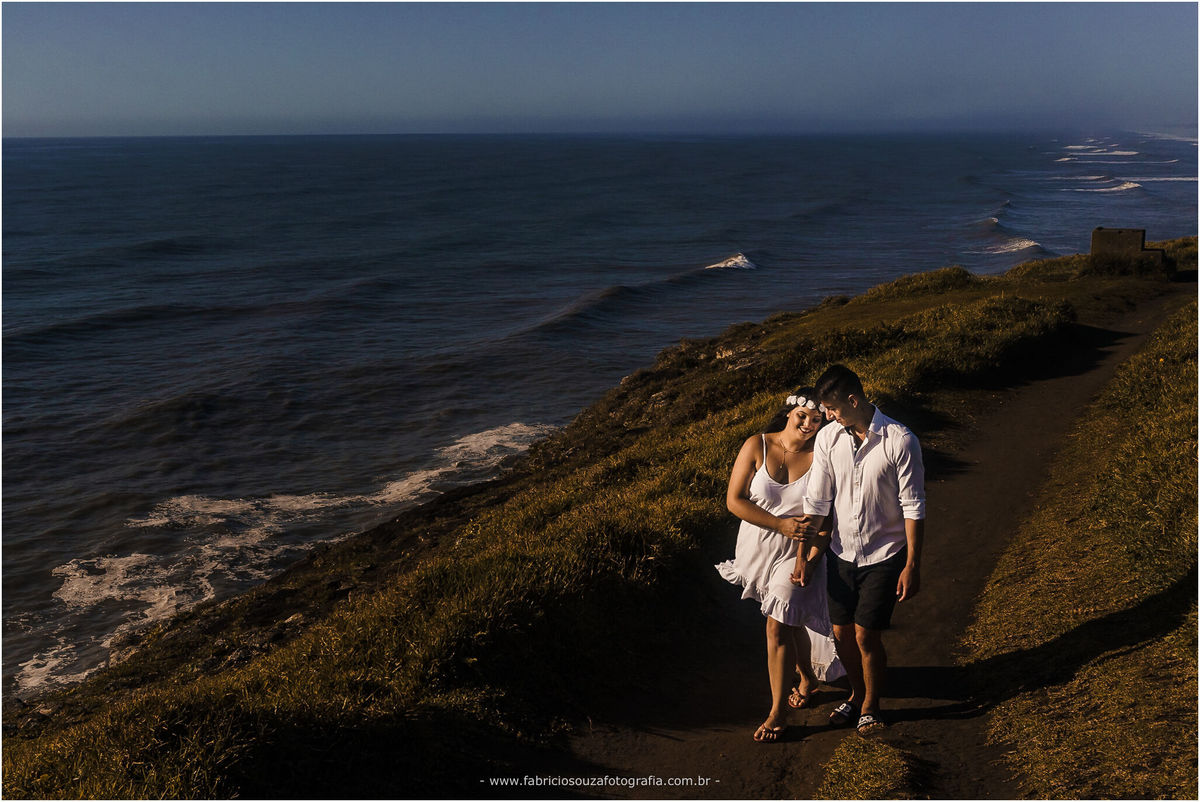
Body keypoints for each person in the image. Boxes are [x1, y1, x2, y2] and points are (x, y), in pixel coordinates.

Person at [799, 364, 925, 736]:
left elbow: (913, 506)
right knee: (840, 635)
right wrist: (805, 557)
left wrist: (913, 565)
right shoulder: (828, 439)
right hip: (841, 554)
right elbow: (817, 503)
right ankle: (856, 695)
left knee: (866, 635)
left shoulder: (900, 440)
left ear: (853, 400)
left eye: (833, 410)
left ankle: (871, 704)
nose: (829, 417)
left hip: (885, 555)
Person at [716, 389, 845, 743]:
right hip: (757, 549)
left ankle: (777, 713)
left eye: (816, 420)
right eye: (802, 416)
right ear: (790, 412)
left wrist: (813, 559)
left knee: (777, 625)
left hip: (800, 552)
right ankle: (807, 678)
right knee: (788, 624)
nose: (807, 424)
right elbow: (734, 501)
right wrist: (780, 524)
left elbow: (828, 521)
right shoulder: (757, 445)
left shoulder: (824, 457)